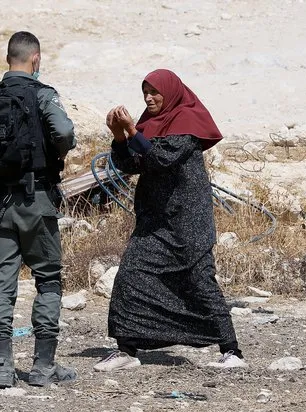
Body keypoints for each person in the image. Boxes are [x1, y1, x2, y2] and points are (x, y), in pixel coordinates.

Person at [93, 69, 247, 372]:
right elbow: (131, 164)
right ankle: (126, 349)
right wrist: (119, 136)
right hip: (155, 221)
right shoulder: (150, 123)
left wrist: (134, 133)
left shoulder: (187, 123)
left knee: (200, 281)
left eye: (155, 92)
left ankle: (232, 350)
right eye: (145, 93)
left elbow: (161, 160)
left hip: (188, 220)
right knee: (131, 275)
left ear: (171, 92)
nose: (149, 98)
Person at [0, 31, 77, 388]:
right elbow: (65, 132)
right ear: (36, 60)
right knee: (48, 280)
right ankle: (42, 368)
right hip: (36, 201)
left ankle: (1, 368)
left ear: (9, 58)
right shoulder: (43, 94)